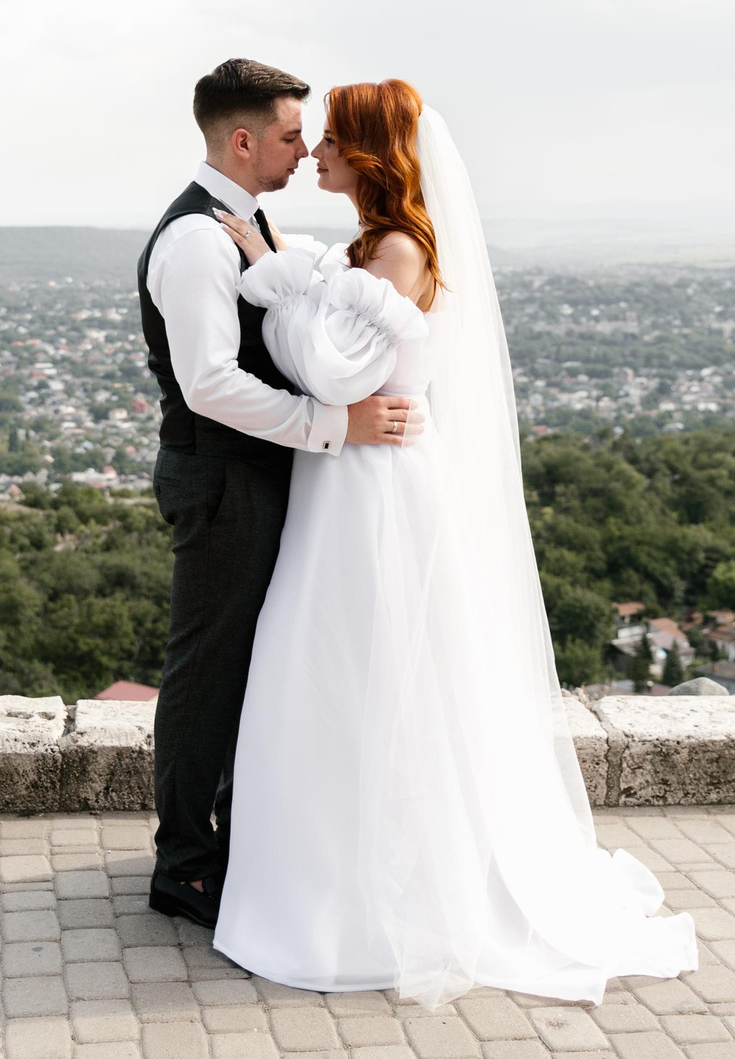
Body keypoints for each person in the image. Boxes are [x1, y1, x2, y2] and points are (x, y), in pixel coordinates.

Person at [208, 79, 699, 1005]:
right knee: (333, 667)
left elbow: (328, 366)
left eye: (331, 143)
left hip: (376, 487)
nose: (314, 154)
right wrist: (300, 274)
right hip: (350, 476)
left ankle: (358, 900)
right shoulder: (370, 246)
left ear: (369, 153)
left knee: (359, 667)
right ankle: (323, 882)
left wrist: (271, 277)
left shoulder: (396, 249)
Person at [137, 59, 425, 928]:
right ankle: (184, 863)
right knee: (206, 669)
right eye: (294, 135)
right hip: (222, 476)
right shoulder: (195, 239)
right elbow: (211, 385)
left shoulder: (249, 224)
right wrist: (335, 428)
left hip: (256, 472)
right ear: (243, 139)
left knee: (245, 666)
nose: (306, 150)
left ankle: (229, 840)